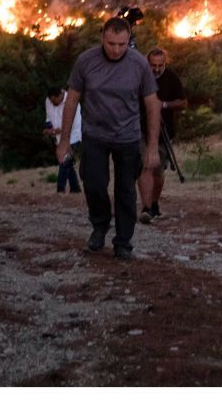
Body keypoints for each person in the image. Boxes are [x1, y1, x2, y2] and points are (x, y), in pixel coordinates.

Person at [56, 17, 161, 260]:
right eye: (111, 43)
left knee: (125, 189)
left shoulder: (139, 64)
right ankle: (100, 225)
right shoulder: (86, 61)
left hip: (127, 137)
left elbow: (152, 104)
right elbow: (71, 99)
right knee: (93, 183)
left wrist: (152, 146)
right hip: (95, 135)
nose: (116, 50)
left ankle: (123, 241)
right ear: (102, 37)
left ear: (129, 41)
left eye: (122, 44)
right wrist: (64, 142)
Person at [138, 47, 187, 224]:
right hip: (142, 129)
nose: (156, 69)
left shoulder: (172, 77)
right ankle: (145, 207)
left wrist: (163, 105)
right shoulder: (140, 76)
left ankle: (154, 202)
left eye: (161, 65)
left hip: (163, 131)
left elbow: (183, 102)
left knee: (158, 170)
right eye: (153, 65)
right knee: (145, 166)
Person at [43, 86, 82, 194]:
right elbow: (48, 117)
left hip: (73, 136)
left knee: (63, 162)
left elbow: (74, 123)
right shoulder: (49, 101)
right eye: (51, 101)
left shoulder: (71, 101)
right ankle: (75, 189)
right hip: (58, 138)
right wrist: (49, 129)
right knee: (68, 163)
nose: (53, 103)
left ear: (60, 95)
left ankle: (60, 190)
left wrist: (58, 130)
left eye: (55, 101)